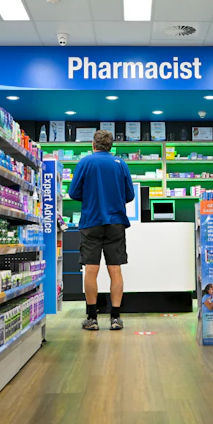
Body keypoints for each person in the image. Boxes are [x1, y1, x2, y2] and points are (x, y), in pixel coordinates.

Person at [68, 130, 135, 331]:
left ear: (93, 144)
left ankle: (92, 318)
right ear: (111, 146)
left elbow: (73, 192)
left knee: (91, 269)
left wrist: (90, 197)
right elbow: (130, 195)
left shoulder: (85, 163)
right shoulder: (120, 164)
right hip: (116, 222)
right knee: (115, 269)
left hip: (91, 221)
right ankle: (115, 318)